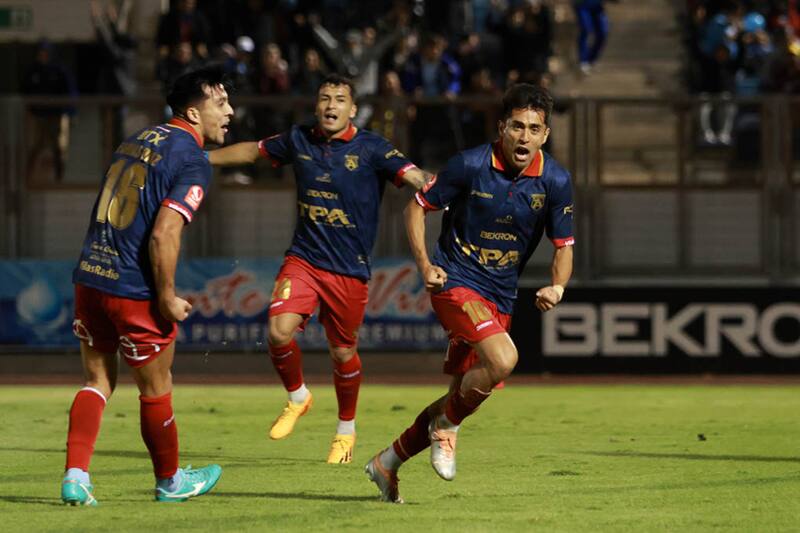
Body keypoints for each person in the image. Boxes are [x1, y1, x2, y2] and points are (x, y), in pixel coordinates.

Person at [365, 83, 575, 503]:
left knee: (459, 395)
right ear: (502, 127)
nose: (524, 136)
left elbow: (564, 246)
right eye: (517, 126)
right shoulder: (470, 164)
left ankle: (387, 461)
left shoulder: (555, 180)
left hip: (500, 295)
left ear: (545, 135)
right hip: (456, 281)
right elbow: (416, 207)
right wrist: (426, 266)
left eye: (534, 129)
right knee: (504, 359)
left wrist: (558, 285)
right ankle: (445, 428)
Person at [208, 74, 431, 464]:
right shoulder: (299, 139)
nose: (331, 106)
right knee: (278, 332)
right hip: (304, 260)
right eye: (325, 98)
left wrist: (433, 184)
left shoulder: (372, 148)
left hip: (349, 271)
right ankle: (298, 397)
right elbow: (252, 153)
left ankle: (346, 430)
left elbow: (413, 175)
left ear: (353, 109)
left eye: (340, 100)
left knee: (343, 352)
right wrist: (202, 157)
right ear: (316, 106)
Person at [61, 65, 234, 506]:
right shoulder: (192, 158)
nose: (229, 112)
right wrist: (167, 297)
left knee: (96, 380)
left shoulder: (137, 138)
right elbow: (164, 233)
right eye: (220, 103)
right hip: (134, 291)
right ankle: (171, 481)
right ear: (194, 114)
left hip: (91, 276)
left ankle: (76, 476)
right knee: (156, 388)